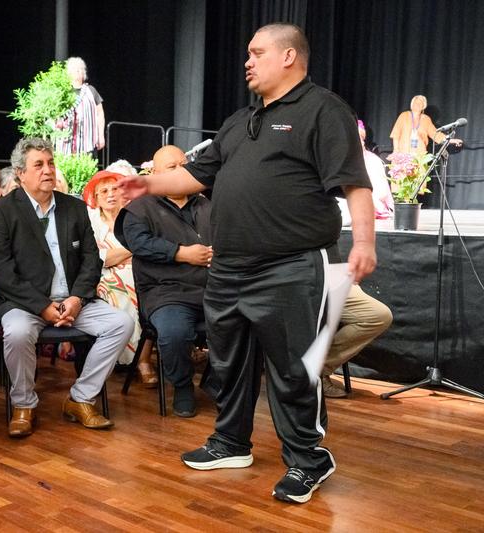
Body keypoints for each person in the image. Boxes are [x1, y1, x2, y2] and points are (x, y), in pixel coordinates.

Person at [119, 23, 376, 504]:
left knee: (296, 368)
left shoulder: (324, 110)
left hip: (292, 265)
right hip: (230, 268)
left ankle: (308, 459)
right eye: (247, 54)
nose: (247, 61)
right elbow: (194, 176)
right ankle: (232, 442)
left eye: (257, 53)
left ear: (289, 57)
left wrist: (365, 242)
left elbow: (354, 183)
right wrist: (143, 185)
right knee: (228, 363)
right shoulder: (241, 121)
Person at [0, 137, 133, 437]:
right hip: (24, 303)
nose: (47, 170)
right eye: (38, 165)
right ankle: (24, 404)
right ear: (20, 173)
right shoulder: (1, 210)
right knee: (17, 331)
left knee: (122, 323)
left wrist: (77, 298)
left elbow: (92, 259)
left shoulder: (74, 208)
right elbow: (1, 270)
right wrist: (42, 307)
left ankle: (80, 399)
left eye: (50, 163)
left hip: (74, 302)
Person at [115, 145, 212, 416]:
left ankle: (215, 381)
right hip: (165, 294)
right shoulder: (139, 207)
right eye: (172, 167)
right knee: (174, 332)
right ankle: (182, 386)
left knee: (248, 320)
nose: (182, 170)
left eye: (185, 164)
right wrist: (181, 253)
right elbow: (139, 243)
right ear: (154, 173)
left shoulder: (205, 203)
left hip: (210, 289)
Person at [82, 169, 156, 386]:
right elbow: (100, 258)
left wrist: (127, 252)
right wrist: (134, 248)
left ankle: (143, 360)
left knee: (147, 293)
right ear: (95, 198)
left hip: (139, 269)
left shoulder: (134, 216)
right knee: (111, 290)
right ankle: (119, 357)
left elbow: (149, 246)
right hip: (104, 274)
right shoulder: (91, 222)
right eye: (103, 191)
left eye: (114, 188)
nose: (110, 194)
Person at [54, 57, 105, 157]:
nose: (77, 72)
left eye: (79, 69)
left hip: (88, 141)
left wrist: (101, 136)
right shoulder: (63, 92)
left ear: (83, 73)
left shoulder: (91, 90)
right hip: (66, 142)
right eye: (74, 69)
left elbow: (100, 113)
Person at [389, 95, 462, 154]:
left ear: (423, 106)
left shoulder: (426, 119)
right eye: (415, 103)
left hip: (419, 155)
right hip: (402, 154)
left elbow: (436, 135)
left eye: (420, 103)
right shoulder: (404, 115)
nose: (417, 105)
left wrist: (452, 140)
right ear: (412, 104)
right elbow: (396, 134)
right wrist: (396, 150)